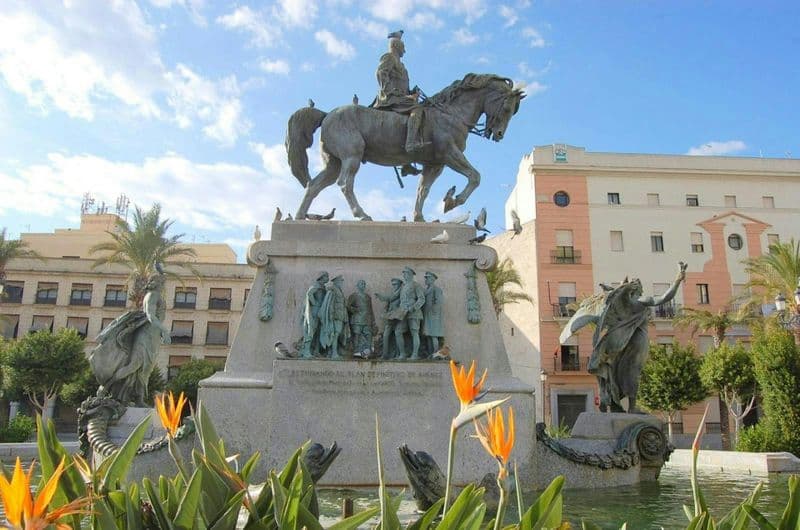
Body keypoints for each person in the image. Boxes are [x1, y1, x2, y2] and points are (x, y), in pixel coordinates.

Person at [89, 272, 170, 406]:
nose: (163, 285)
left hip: (152, 337)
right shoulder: (153, 295)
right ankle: (105, 388)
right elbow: (150, 315)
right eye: (162, 283)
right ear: (156, 283)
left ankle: (139, 399)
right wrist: (164, 330)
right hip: (145, 337)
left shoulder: (155, 295)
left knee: (144, 371)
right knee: (134, 366)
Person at [373, 32, 426, 153]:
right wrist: (390, 91)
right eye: (403, 48)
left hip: (400, 97)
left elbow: (401, 85)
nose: (405, 51)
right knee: (417, 109)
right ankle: (410, 143)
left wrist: (411, 92)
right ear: (396, 46)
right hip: (391, 97)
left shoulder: (401, 64)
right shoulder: (390, 57)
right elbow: (381, 73)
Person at [395, 266, 426, 360]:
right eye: (403, 273)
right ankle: (402, 354)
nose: (404, 275)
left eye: (406, 273)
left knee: (414, 332)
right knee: (398, 331)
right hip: (403, 312)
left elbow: (421, 299)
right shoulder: (403, 286)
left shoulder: (416, 285)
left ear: (411, 275)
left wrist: (413, 307)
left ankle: (415, 354)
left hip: (414, 313)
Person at [300, 272, 329, 358]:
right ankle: (306, 350)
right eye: (326, 276)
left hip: (321, 311)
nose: (327, 278)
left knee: (319, 331)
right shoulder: (317, 285)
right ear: (321, 277)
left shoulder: (323, 287)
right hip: (315, 310)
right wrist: (314, 303)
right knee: (312, 329)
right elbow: (309, 293)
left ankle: (316, 350)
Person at [320, 275, 349, 359]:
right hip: (336, 316)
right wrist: (331, 316)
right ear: (336, 281)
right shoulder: (333, 290)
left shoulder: (338, 290)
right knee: (335, 335)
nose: (342, 282)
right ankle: (334, 353)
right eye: (341, 281)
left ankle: (330, 352)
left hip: (340, 316)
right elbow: (329, 304)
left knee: (335, 334)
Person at [375, 278, 403, 359]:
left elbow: (391, 298)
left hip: (399, 317)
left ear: (400, 284)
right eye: (393, 284)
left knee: (397, 335)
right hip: (391, 317)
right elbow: (388, 303)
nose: (393, 286)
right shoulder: (392, 292)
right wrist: (385, 312)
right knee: (386, 335)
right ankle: (385, 354)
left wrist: (381, 296)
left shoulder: (401, 292)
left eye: (395, 284)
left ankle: (398, 354)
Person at [348, 279, 375, 358]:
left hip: (367, 320)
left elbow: (370, 309)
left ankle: (368, 351)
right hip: (357, 319)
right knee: (356, 335)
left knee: (369, 334)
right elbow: (348, 306)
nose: (363, 285)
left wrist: (373, 321)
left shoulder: (368, 297)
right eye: (361, 284)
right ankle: (356, 350)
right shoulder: (353, 296)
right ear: (357, 286)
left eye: (364, 284)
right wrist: (354, 310)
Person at [422, 271, 444, 355]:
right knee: (428, 335)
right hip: (427, 314)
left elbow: (438, 302)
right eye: (426, 278)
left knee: (433, 335)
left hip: (434, 315)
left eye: (427, 278)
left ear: (432, 279)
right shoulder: (426, 290)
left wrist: (433, 311)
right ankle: (431, 354)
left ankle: (435, 353)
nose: (426, 280)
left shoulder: (437, 289)